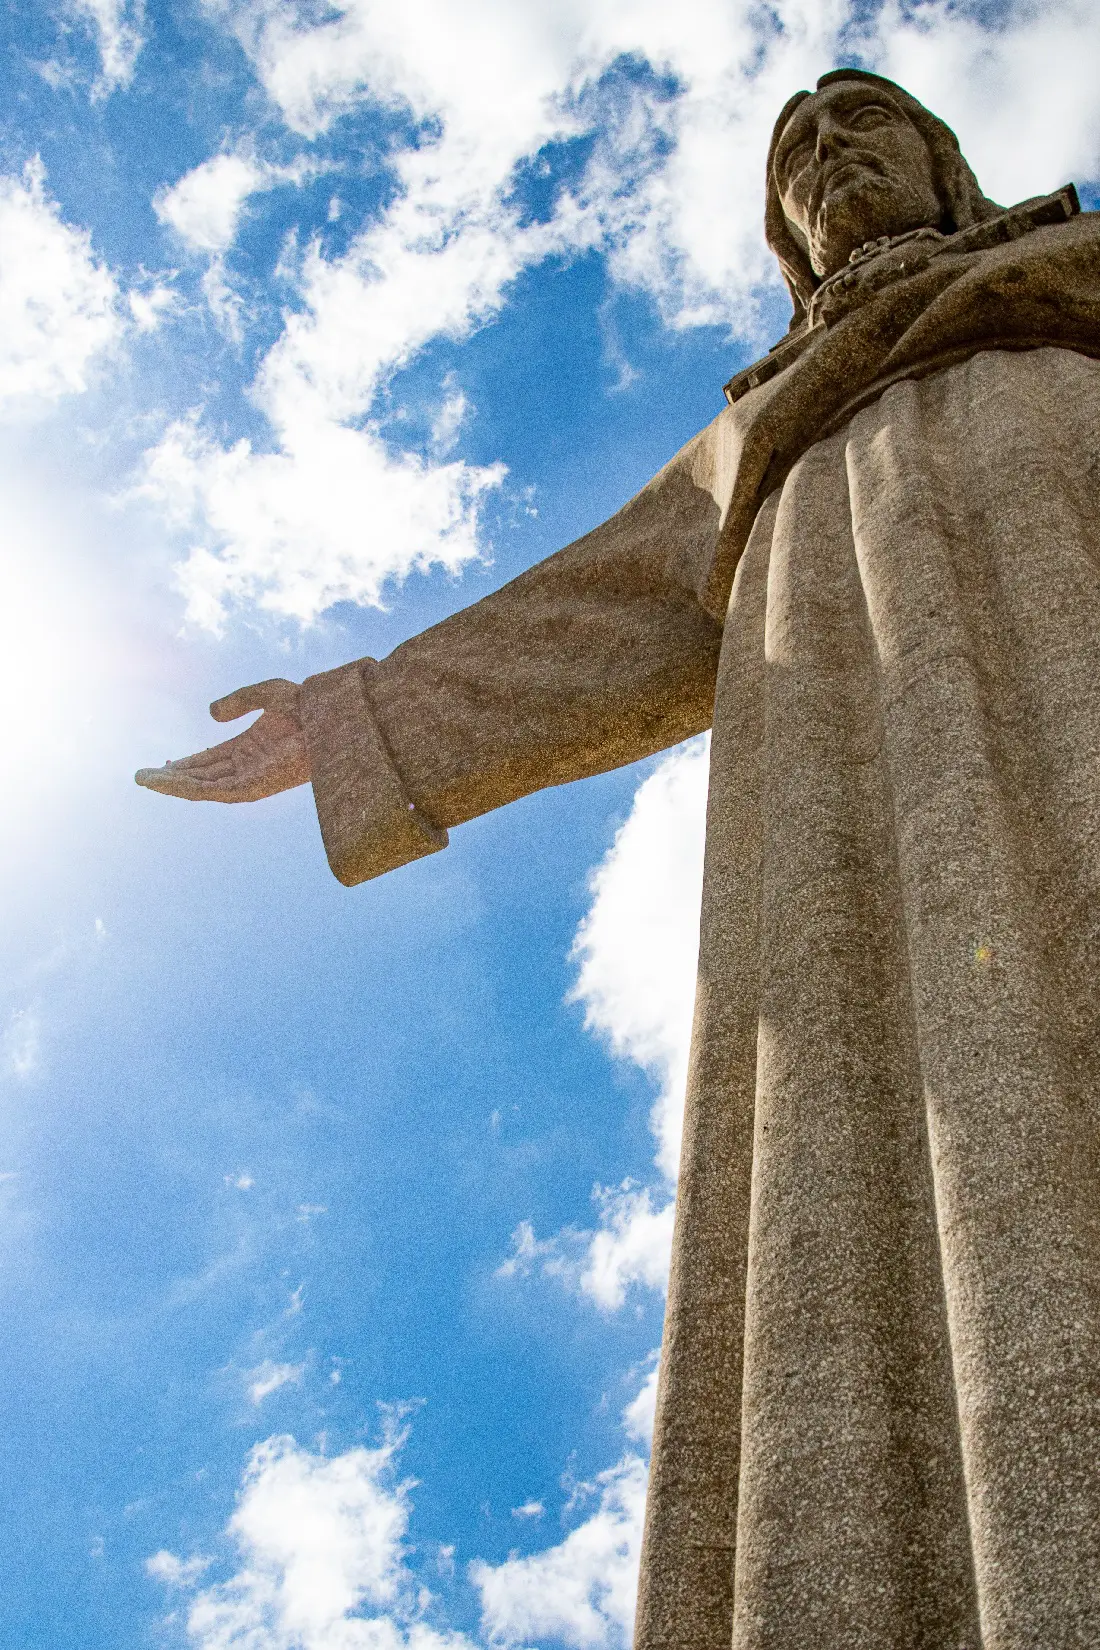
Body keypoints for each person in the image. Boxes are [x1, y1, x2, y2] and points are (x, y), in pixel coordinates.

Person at [138, 70, 1100, 1650]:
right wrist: (359, 714)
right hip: (838, 801)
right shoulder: (750, 446)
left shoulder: (1074, 280)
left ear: (945, 157)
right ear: (785, 240)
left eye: (860, 123)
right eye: (793, 155)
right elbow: (585, 614)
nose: (827, 155)